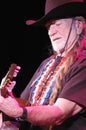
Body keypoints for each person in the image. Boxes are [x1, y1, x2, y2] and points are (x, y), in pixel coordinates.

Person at [0, 0, 86, 130]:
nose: (51, 32)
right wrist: (8, 103)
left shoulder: (83, 64)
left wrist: (18, 112)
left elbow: (59, 113)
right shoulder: (46, 63)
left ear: (78, 26)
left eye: (56, 24)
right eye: (48, 27)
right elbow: (28, 105)